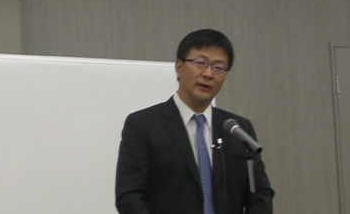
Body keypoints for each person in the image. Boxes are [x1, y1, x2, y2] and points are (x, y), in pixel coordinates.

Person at [114, 29, 274, 214]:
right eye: (200, 63)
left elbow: (261, 195)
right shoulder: (143, 125)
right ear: (179, 67)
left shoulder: (238, 129)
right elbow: (129, 197)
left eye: (218, 67)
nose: (208, 74)